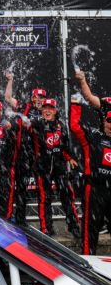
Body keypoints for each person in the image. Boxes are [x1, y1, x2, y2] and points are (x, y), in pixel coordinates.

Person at [26, 98, 80, 237]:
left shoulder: (61, 126)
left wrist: (71, 158)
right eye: (45, 108)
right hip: (43, 167)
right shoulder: (37, 123)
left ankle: (74, 227)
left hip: (59, 166)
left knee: (67, 196)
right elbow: (26, 126)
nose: (47, 111)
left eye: (50, 108)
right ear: (41, 110)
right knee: (44, 198)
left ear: (55, 111)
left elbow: (65, 147)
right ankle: (46, 229)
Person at [4, 72, 47, 225]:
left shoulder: (48, 111)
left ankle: (46, 225)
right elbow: (8, 99)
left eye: (42, 98)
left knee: (43, 193)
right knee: (20, 188)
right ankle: (19, 219)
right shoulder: (25, 108)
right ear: (32, 98)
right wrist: (10, 80)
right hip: (23, 155)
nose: (39, 100)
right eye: (37, 97)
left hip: (41, 158)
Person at [70, 98, 111, 255]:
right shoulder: (94, 136)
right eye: (109, 121)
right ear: (104, 122)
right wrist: (75, 104)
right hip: (94, 189)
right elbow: (74, 126)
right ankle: (88, 263)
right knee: (90, 230)